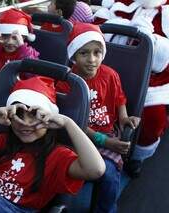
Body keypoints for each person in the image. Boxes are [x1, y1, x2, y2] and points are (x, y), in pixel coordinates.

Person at [0, 76, 105, 212]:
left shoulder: (57, 157)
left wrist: (67, 123)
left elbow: (96, 170)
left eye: (35, 115)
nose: (26, 123)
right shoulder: (2, 142)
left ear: (48, 118)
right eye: (20, 114)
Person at [56, 22, 140, 212]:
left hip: (106, 130)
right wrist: (105, 142)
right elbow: (74, 125)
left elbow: (119, 98)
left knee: (110, 173)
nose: (92, 59)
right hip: (75, 136)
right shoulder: (67, 82)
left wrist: (124, 117)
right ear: (73, 56)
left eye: (97, 52)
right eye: (84, 53)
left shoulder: (110, 75)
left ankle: (106, 209)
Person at [92, 0, 169, 175]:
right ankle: (96, 145)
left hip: (152, 81)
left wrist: (151, 41)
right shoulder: (121, 2)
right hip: (109, 68)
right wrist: (122, 28)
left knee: (153, 120)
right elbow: (96, 28)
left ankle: (136, 156)